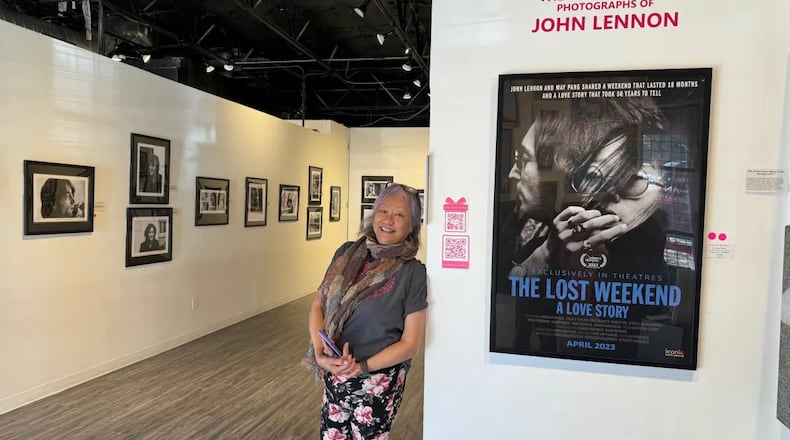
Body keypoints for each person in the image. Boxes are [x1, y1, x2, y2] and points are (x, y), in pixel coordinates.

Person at [304, 183, 427, 439]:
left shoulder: (412, 272)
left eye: (399, 214)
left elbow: (410, 344)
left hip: (378, 381)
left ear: (412, 225)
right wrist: (319, 353)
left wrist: (361, 367)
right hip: (335, 372)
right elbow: (318, 305)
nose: (388, 220)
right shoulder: (346, 253)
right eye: (382, 210)